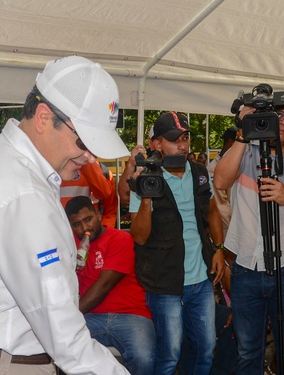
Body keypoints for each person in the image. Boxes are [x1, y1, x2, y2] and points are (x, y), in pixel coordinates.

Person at [0, 56, 130, 375]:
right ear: (44, 117)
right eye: (84, 141)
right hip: (10, 366)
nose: (90, 156)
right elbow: (62, 330)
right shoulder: (23, 193)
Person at [214, 98, 284, 374]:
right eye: (278, 115)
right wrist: (242, 132)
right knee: (248, 352)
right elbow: (221, 182)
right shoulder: (245, 151)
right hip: (246, 267)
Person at [129, 111, 225, 375]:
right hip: (164, 283)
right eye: (174, 139)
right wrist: (147, 196)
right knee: (169, 354)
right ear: (157, 144)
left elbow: (213, 211)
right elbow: (138, 236)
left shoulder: (199, 171)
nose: (182, 145)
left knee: (206, 348)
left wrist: (218, 249)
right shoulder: (145, 178)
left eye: (185, 138)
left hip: (201, 280)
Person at [64, 195, 156, 375]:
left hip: (130, 314)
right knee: (65, 351)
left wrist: (69, 316)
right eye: (77, 224)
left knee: (144, 357)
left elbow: (104, 285)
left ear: (98, 215)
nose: (84, 228)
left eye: (88, 219)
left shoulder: (120, 238)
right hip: (90, 316)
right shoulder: (69, 244)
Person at [60, 161, 118, 228]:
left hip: (91, 233)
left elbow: (110, 211)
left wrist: (103, 236)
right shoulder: (49, 167)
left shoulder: (104, 172)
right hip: (57, 232)